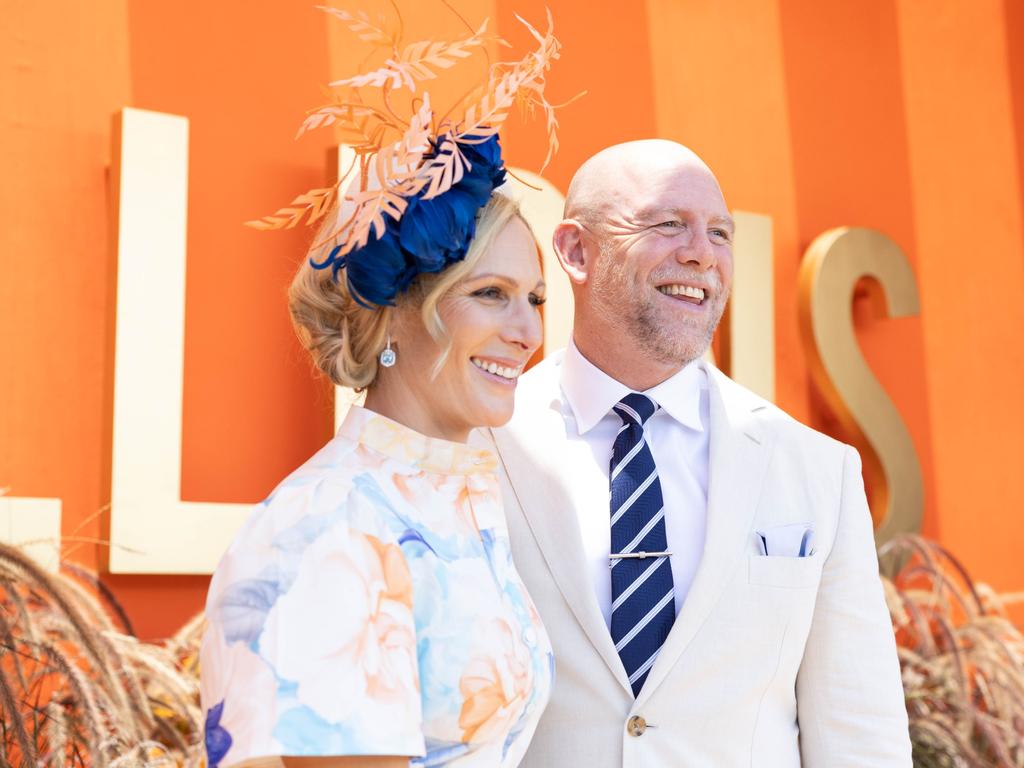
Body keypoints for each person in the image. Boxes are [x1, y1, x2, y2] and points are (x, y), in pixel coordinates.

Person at [199, 9, 566, 766]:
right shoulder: (332, 526)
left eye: (533, 299)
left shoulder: (456, 503)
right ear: (396, 314)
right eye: (489, 293)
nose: (527, 333)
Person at [486, 139, 912, 766]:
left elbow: (860, 732)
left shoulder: (819, 469)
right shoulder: (477, 443)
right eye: (667, 225)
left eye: (720, 233)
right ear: (576, 250)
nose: (701, 255)